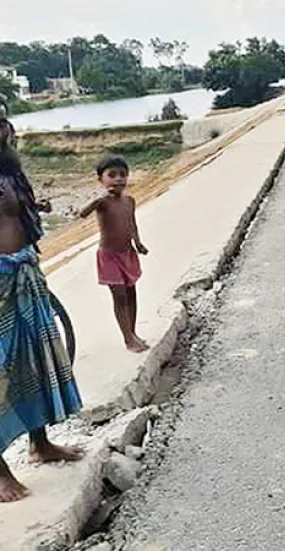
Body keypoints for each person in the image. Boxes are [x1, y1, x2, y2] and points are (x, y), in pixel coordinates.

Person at [0, 117, 84, 503]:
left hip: (24, 273)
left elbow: (24, 217)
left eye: (3, 124)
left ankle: (40, 443)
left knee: (34, 358)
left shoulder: (10, 173)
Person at [79, 157, 149, 353]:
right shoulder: (102, 202)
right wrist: (95, 200)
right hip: (109, 256)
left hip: (127, 253)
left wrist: (138, 242)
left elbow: (132, 223)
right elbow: (82, 213)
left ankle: (133, 332)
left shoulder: (129, 201)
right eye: (112, 175)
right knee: (119, 297)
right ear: (101, 179)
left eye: (123, 175)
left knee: (131, 293)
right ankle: (128, 339)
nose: (118, 179)